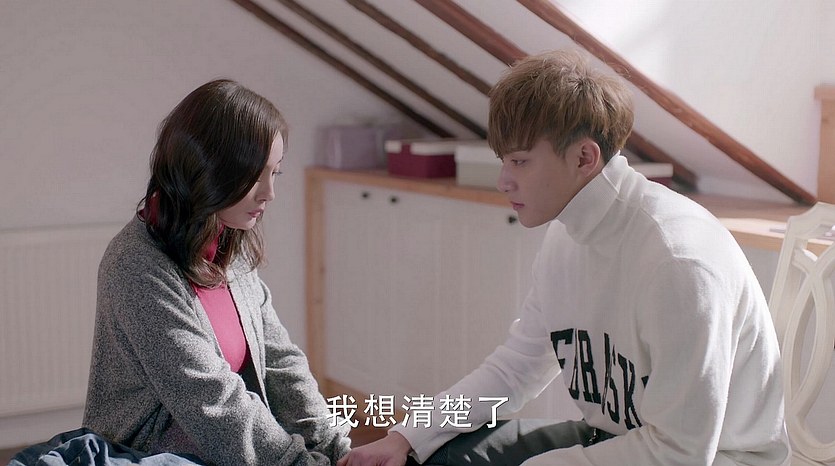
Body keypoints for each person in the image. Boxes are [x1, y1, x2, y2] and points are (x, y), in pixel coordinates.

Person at [338, 50, 790, 466]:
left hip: (717, 458)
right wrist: (407, 435)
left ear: (584, 158)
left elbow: (681, 452)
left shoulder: (678, 262)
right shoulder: (566, 237)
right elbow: (516, 369)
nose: (503, 181)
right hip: (616, 438)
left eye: (520, 162)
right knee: (433, 455)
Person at [83, 79, 350, 465]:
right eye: (254, 175)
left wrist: (336, 450)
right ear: (207, 171)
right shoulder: (136, 266)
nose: (269, 193)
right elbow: (214, 405)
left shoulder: (226, 242)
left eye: (275, 173)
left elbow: (281, 363)